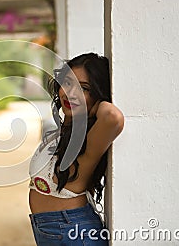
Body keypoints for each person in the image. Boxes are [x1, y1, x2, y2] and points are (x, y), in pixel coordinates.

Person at [28, 53, 124, 245]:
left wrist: (95, 107)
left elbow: (113, 117)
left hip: (74, 231)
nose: (70, 93)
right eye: (68, 83)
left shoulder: (90, 139)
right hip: (52, 230)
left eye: (84, 89)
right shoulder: (63, 131)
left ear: (97, 94)